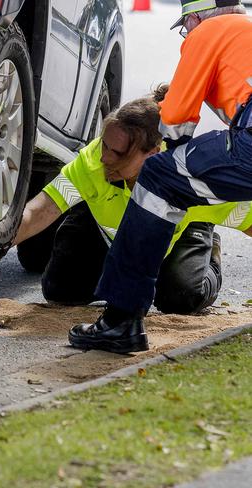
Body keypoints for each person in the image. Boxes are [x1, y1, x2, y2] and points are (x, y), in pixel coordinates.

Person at [0, 86, 252, 325]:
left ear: (153, 153)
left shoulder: (192, 176)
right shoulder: (94, 162)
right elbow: (38, 211)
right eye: (104, 144)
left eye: (117, 152)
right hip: (104, 229)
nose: (105, 157)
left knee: (181, 298)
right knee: (62, 290)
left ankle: (206, 243)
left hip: (181, 234)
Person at [69, 0, 252, 354]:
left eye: (186, 26)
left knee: (157, 177)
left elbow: (178, 118)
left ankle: (120, 321)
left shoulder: (209, 32)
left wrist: (173, 151)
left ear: (196, 17)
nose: (187, 34)